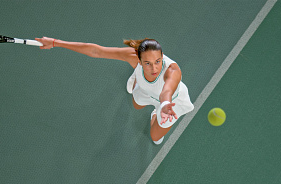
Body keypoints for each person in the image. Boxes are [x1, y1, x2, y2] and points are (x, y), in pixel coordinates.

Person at [35, 36, 194, 145]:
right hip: (146, 91)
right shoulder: (132, 56)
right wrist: (55, 42)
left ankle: (155, 113)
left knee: (155, 137)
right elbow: (96, 51)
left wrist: (164, 105)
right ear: (138, 60)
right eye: (147, 63)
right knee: (137, 105)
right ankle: (137, 77)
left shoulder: (172, 71)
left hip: (171, 103)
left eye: (158, 61)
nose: (154, 68)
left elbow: (166, 91)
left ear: (162, 56)